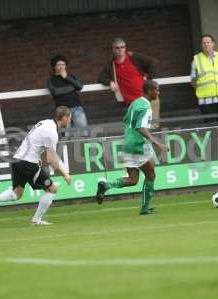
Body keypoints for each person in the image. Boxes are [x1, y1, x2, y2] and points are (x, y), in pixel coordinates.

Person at [0, 106, 72, 225]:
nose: (69, 121)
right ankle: (36, 220)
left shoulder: (45, 122)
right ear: (64, 117)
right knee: (52, 189)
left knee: (17, 193)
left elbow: (35, 142)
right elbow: (51, 159)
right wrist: (65, 174)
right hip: (28, 163)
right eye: (69, 118)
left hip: (17, 160)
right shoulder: (52, 132)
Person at [96, 80, 168, 215]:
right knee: (151, 175)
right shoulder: (146, 107)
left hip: (128, 143)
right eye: (156, 90)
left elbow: (126, 120)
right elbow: (141, 128)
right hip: (137, 145)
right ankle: (145, 208)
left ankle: (106, 185)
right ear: (149, 91)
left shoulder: (135, 103)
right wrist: (156, 142)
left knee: (133, 179)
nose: (158, 92)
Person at [98, 37, 160, 128]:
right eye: (117, 48)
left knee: (152, 126)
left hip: (147, 97)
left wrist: (149, 78)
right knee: (138, 129)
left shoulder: (133, 57)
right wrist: (110, 82)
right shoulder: (111, 64)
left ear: (125, 48)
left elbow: (153, 62)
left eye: (122, 47)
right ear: (113, 49)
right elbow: (100, 78)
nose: (120, 50)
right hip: (132, 102)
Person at [190, 34, 218, 123]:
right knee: (210, 128)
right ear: (201, 45)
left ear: (213, 44)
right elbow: (193, 80)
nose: (206, 44)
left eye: (208, 42)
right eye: (204, 43)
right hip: (206, 100)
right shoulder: (196, 59)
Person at [48, 54, 88, 137]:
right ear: (54, 67)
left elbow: (79, 86)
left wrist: (66, 77)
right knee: (66, 136)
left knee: (83, 133)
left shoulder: (71, 76)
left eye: (63, 64)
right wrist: (72, 88)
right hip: (62, 111)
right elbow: (55, 92)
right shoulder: (51, 79)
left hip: (76, 107)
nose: (62, 67)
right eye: (59, 65)